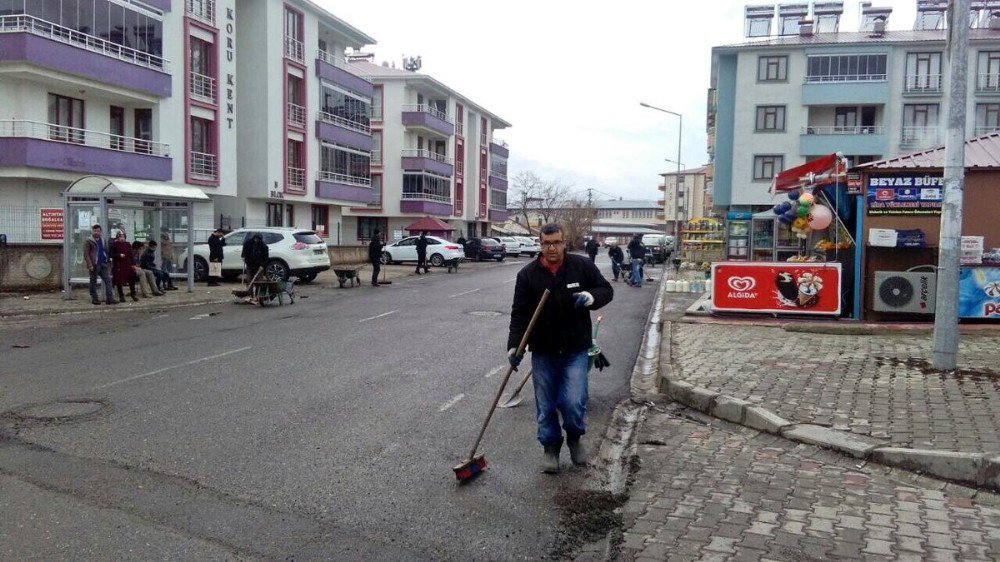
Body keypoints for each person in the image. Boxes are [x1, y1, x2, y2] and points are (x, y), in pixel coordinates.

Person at [507, 222, 613, 474]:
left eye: (556, 242)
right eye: (546, 243)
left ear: (564, 243)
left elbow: (605, 290)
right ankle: (551, 448)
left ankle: (575, 438)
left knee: (573, 401)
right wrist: (514, 347)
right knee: (545, 405)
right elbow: (519, 314)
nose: (551, 248)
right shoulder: (528, 275)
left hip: (576, 348)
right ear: (540, 244)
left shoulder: (581, 266)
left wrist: (590, 297)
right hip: (543, 350)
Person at [84, 224, 115, 305]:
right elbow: (86, 254)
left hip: (103, 263)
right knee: (93, 282)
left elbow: (105, 250)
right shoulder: (88, 241)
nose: (96, 232)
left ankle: (110, 299)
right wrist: (90, 265)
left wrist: (108, 259)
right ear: (92, 231)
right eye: (95, 231)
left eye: (98, 231)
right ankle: (95, 299)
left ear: (100, 232)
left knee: (108, 281)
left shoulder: (102, 239)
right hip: (94, 265)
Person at [110, 230, 138, 302]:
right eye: (120, 237)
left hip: (128, 264)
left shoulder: (128, 244)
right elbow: (111, 254)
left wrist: (133, 264)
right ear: (117, 238)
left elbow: (131, 255)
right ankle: (121, 295)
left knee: (131, 279)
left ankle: (133, 294)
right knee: (119, 281)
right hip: (119, 265)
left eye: (123, 237)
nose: (122, 238)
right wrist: (119, 255)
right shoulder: (114, 245)